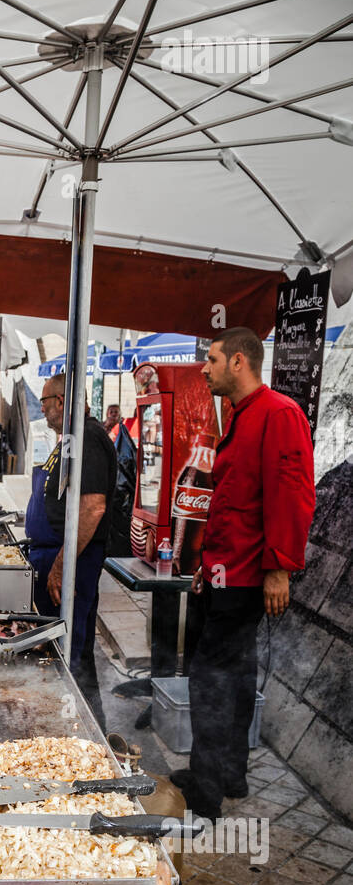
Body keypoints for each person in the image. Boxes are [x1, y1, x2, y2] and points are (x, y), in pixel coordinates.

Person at [170, 327, 315, 820]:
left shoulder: (279, 414)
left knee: (209, 680)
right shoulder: (240, 415)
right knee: (234, 677)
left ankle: (205, 792)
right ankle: (229, 772)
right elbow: (231, 506)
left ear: (238, 361)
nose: (203, 369)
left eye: (211, 359)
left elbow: (292, 496)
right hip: (223, 573)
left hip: (250, 577)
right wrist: (204, 567)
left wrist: (279, 569)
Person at [26, 375, 117, 677]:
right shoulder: (70, 438)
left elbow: (93, 508)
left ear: (61, 401)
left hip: (71, 563)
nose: (42, 410)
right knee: (62, 647)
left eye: (44, 402)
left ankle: (72, 716)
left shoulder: (87, 437)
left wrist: (60, 566)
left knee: (66, 652)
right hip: (53, 556)